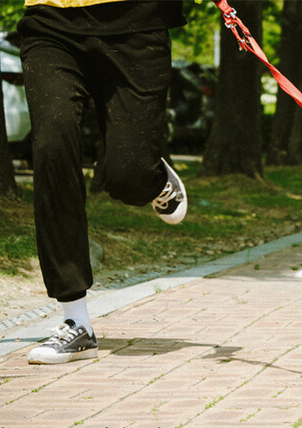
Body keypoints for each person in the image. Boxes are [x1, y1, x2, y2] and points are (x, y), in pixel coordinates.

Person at [17, 0, 188, 364]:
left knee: (128, 175)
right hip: (51, 23)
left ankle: (153, 179)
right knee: (51, 148)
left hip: (137, 23)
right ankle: (75, 320)